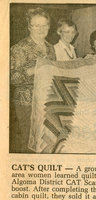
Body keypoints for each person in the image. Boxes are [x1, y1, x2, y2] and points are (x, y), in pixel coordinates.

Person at [10, 7, 56, 152]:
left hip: (46, 101)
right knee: (28, 142)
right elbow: (12, 78)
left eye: (44, 25)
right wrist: (33, 70)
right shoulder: (19, 48)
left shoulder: (50, 48)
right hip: (26, 102)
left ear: (49, 26)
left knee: (44, 143)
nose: (41, 29)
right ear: (29, 27)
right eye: (36, 25)